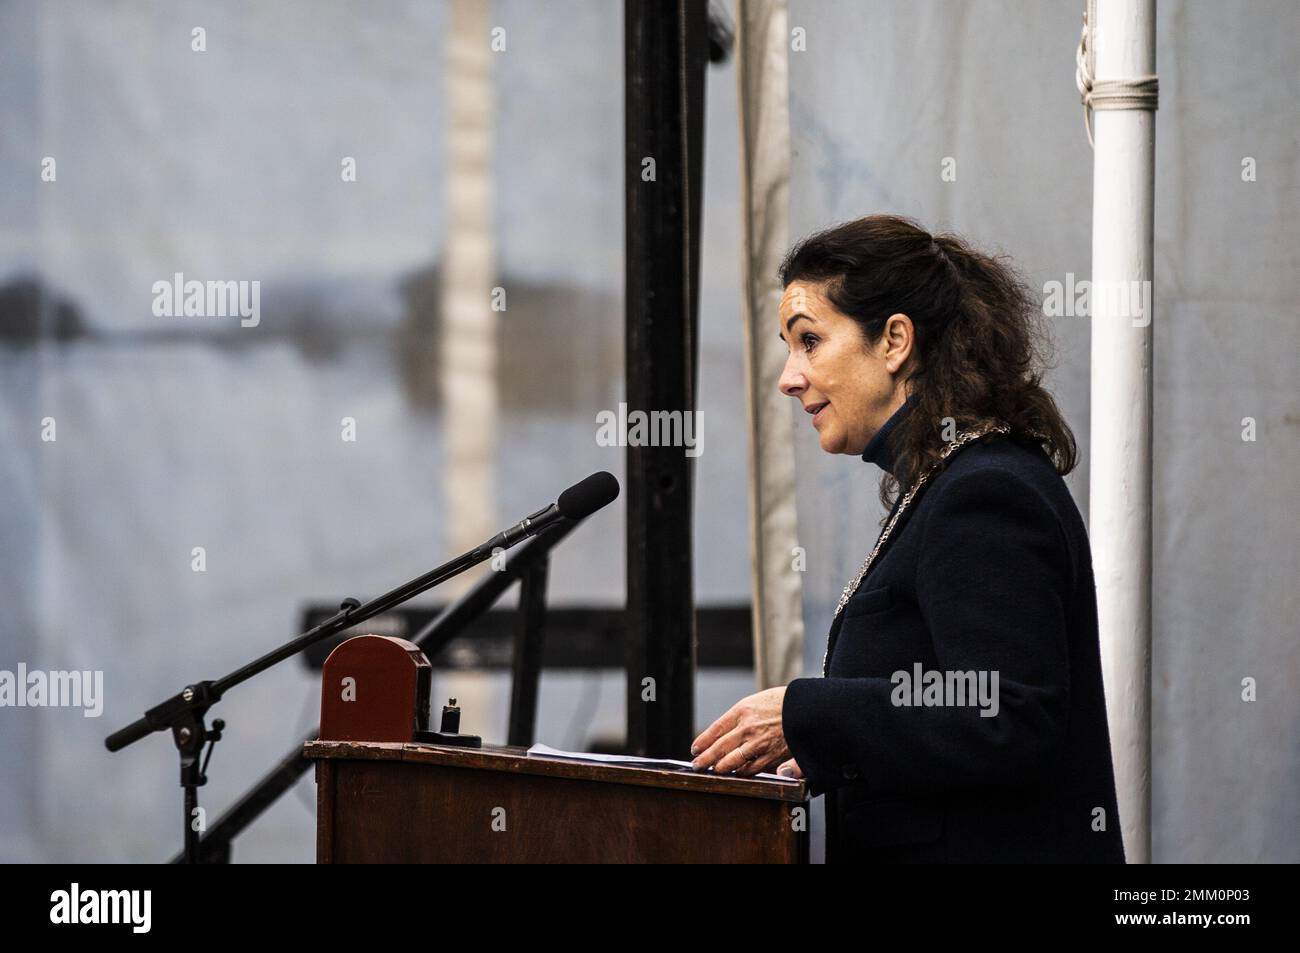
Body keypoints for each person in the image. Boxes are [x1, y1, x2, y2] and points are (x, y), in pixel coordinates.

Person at [690, 214, 1125, 862]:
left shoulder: (983, 493)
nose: (788, 376)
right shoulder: (952, 484)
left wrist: (807, 718)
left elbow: (1006, 714)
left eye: (809, 341)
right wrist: (840, 758)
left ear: (895, 341)